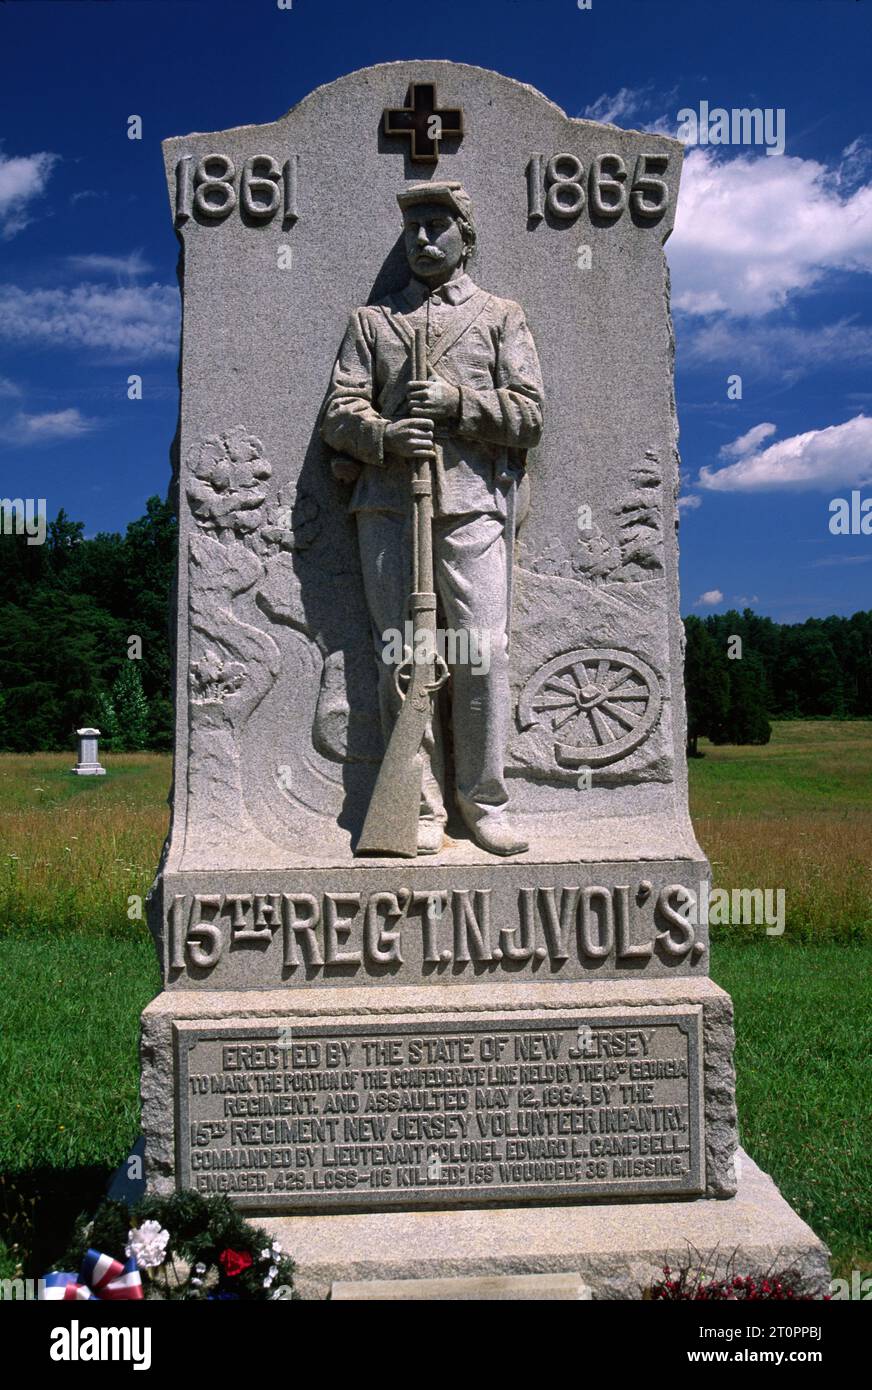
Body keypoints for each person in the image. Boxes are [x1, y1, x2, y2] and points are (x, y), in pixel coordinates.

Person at [321, 181, 544, 856]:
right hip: (387, 505)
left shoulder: (501, 316)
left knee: (484, 653)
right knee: (405, 658)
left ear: (464, 236)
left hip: (472, 504)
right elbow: (339, 413)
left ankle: (485, 802)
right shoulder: (373, 322)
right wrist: (385, 438)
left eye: (436, 225)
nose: (422, 238)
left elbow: (530, 415)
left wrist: (456, 402)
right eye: (413, 226)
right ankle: (418, 807)